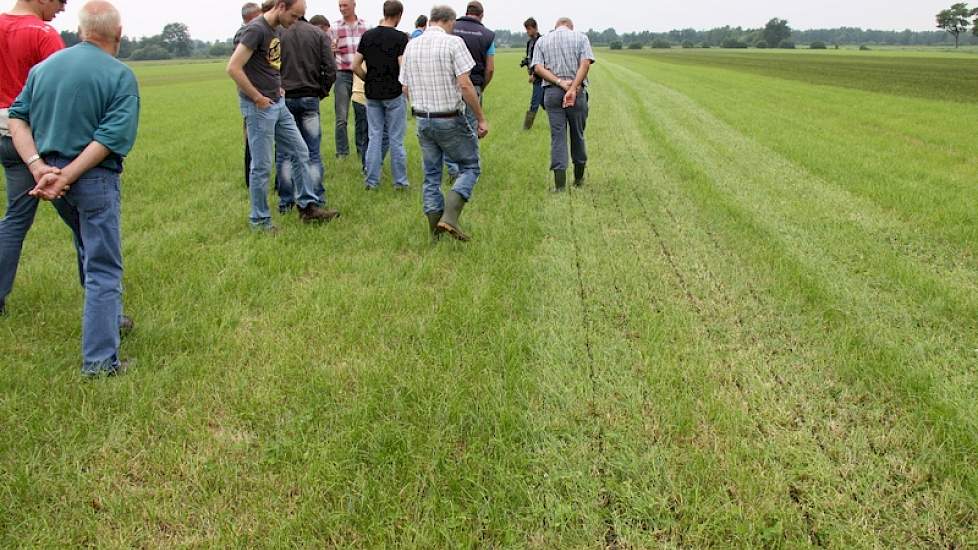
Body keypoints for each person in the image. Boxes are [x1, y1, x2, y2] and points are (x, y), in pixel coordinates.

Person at [8, 0, 138, 377]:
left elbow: (17, 118)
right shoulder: (119, 75)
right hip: (91, 179)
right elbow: (110, 137)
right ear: (118, 34)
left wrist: (38, 167)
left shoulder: (43, 69)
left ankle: (111, 321)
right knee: (103, 267)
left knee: (85, 246)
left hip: (52, 176)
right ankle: (100, 362)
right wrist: (68, 174)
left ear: (81, 31)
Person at [227, 0, 340, 231]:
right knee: (262, 166)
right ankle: (260, 220)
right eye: (295, 16)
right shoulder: (256, 29)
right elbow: (233, 67)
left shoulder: (277, 30)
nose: (296, 21)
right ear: (280, 6)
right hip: (260, 108)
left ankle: (307, 207)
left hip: (279, 104)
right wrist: (257, 97)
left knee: (301, 150)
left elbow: (270, 65)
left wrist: (278, 86)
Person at [0, 0, 66, 318]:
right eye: (60, 1)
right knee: (87, 220)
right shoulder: (43, 34)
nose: (62, 8)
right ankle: (106, 304)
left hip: (5, 137)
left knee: (14, 219)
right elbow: (62, 91)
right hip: (40, 138)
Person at [400, 5, 488, 242]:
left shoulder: (411, 45)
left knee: (431, 176)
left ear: (431, 21)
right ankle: (450, 217)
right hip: (449, 118)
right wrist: (480, 117)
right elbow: (466, 85)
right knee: (470, 166)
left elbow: (405, 87)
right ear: (450, 22)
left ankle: (434, 235)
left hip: (422, 119)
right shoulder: (453, 43)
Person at [275, 14, 336, 213]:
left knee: (285, 153)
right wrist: (322, 91)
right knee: (312, 152)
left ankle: (286, 201)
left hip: (285, 98)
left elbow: (271, 67)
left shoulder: (278, 33)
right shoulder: (318, 34)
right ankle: (316, 198)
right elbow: (330, 68)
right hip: (310, 97)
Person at [531, 17, 595, 192]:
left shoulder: (542, 41)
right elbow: (585, 64)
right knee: (578, 134)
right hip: (577, 92)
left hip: (552, 92)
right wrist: (573, 87)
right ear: (571, 26)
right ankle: (579, 180)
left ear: (556, 26)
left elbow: (537, 67)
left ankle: (559, 186)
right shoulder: (581, 37)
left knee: (557, 137)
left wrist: (559, 82)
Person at [353, 0, 408, 191]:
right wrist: (404, 86)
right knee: (396, 140)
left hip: (372, 93)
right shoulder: (401, 38)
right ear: (399, 15)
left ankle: (371, 181)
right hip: (393, 93)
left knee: (374, 136)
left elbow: (354, 65)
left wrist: (367, 79)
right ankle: (400, 182)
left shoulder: (367, 36)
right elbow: (403, 66)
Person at [445, 0, 494, 178]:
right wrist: (481, 86)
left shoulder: (451, 28)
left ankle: (453, 170)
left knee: (450, 127)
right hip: (473, 85)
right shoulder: (488, 35)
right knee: (471, 128)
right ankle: (470, 170)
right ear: (481, 15)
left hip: (449, 86)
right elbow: (490, 68)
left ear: (466, 12)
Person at [330, 0, 369, 160]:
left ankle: (362, 150)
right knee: (341, 116)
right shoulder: (335, 27)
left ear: (354, 5)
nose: (342, 9)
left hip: (360, 73)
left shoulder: (366, 26)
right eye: (340, 6)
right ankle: (342, 152)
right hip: (342, 73)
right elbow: (329, 53)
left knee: (362, 114)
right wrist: (331, 50)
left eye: (345, 5)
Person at [235, 3, 262, 189]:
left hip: (250, 92)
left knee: (253, 140)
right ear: (253, 16)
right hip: (251, 94)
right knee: (252, 140)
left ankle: (251, 180)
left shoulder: (244, 32)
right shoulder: (245, 34)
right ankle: (250, 180)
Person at [521, 17, 543, 130]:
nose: (527, 32)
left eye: (529, 29)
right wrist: (525, 63)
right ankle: (560, 121)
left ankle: (526, 127)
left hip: (541, 77)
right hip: (534, 76)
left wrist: (533, 75)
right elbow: (530, 57)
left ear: (535, 28)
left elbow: (540, 61)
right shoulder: (529, 42)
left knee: (535, 102)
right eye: (526, 29)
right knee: (544, 103)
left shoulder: (542, 41)